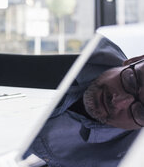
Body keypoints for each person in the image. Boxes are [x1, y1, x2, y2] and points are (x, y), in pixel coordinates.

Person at [26, 37, 143, 167]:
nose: (117, 101)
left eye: (141, 112)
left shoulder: (123, 160)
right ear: (135, 60)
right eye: (132, 81)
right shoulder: (83, 46)